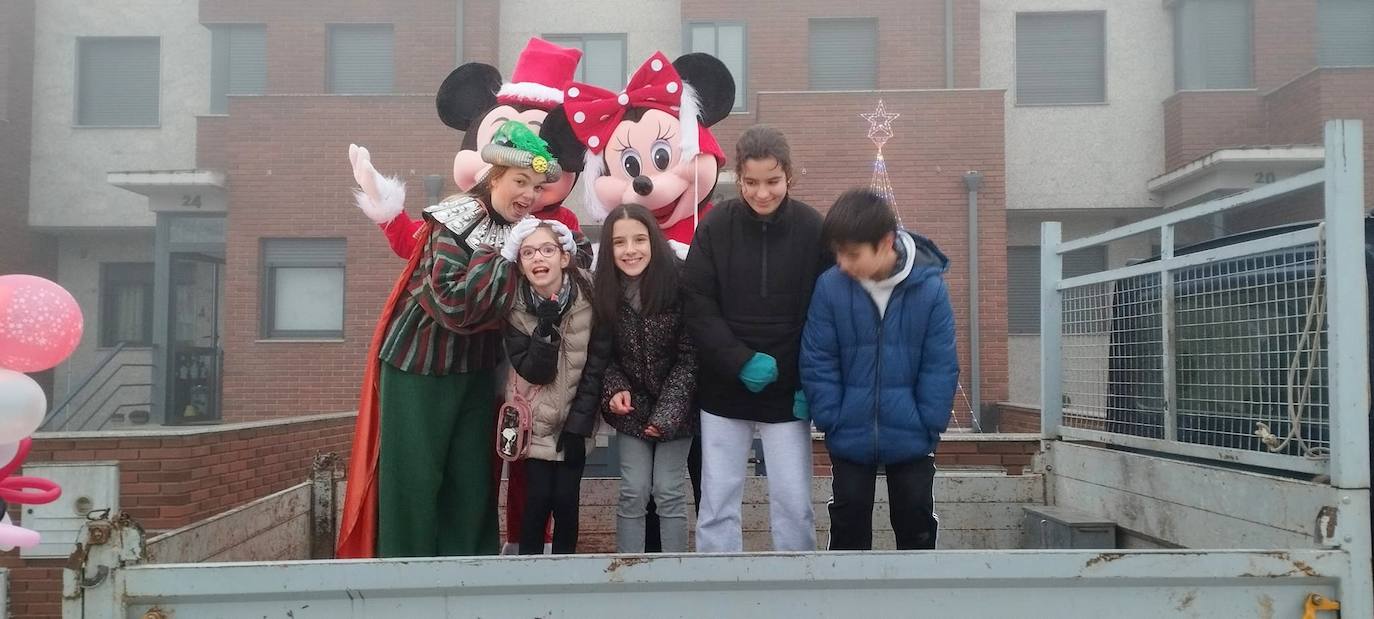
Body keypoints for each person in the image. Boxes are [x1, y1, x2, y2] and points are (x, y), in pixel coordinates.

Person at [337, 121, 584, 558]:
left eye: (536, 187)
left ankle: (470, 580)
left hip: (476, 370)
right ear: (495, 178)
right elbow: (454, 305)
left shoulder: (525, 231)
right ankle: (404, 580)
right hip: (420, 366)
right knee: (415, 480)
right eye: (519, 182)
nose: (528, 195)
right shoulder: (453, 221)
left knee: (472, 484)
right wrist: (505, 259)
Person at [682, 125, 832, 552]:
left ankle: (795, 592)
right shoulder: (715, 226)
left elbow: (822, 312)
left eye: (772, 182)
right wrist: (737, 359)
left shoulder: (811, 228)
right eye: (751, 182)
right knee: (717, 503)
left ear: (789, 176)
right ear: (739, 178)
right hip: (724, 390)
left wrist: (807, 381)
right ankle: (719, 591)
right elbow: (697, 301)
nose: (762, 193)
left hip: (788, 395)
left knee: (794, 503)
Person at [800, 188, 959, 551]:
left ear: (886, 242)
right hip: (849, 429)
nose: (842, 263)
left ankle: (916, 604)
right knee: (848, 519)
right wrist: (831, 416)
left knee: (915, 518)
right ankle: (847, 605)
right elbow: (818, 358)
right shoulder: (830, 288)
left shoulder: (930, 289)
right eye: (837, 253)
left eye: (852, 254)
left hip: (913, 432)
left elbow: (941, 364)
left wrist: (928, 422)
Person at [593, 204, 698, 553]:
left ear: (653, 240)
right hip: (632, 410)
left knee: (668, 489)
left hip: (677, 410)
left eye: (639, 239)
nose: (630, 250)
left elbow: (689, 358)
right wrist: (616, 388)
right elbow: (603, 354)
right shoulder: (605, 289)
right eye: (619, 242)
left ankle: (675, 577)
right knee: (633, 489)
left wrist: (667, 415)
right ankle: (629, 572)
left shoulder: (679, 283)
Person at [500, 218, 606, 555]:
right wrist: (545, 327)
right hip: (534, 422)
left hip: (575, 419)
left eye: (547, 249)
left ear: (564, 257)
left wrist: (579, 426)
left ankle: (565, 579)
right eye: (528, 252)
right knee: (536, 503)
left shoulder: (589, 296)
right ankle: (530, 580)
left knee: (566, 503)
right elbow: (534, 371)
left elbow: (597, 366)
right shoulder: (515, 310)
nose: (538, 258)